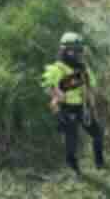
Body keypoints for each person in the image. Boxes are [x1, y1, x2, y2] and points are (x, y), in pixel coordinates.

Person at [41, 33, 105, 174]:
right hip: (66, 109)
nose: (78, 54)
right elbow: (47, 87)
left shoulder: (83, 68)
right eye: (75, 50)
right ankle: (73, 165)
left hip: (82, 107)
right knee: (72, 141)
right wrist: (57, 95)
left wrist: (91, 105)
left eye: (80, 50)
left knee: (98, 134)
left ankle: (100, 162)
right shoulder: (57, 69)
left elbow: (91, 86)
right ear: (65, 50)